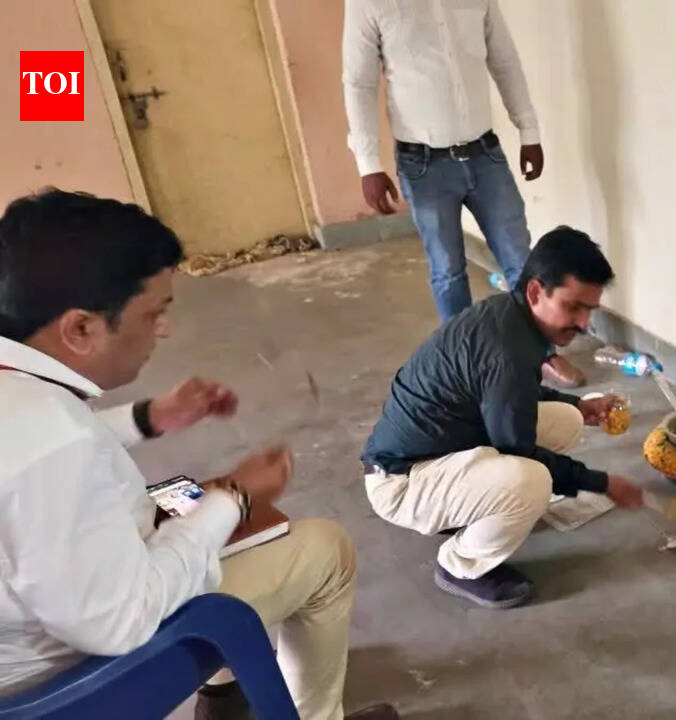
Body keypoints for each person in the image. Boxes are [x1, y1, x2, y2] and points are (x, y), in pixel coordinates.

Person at [0, 190, 396, 720]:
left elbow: (46, 449)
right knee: (325, 551)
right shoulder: (54, 445)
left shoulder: (25, 396)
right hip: (73, 680)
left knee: (188, 499)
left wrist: (149, 417)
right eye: (153, 313)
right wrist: (234, 497)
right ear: (81, 329)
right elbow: (122, 620)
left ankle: (223, 692)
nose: (164, 329)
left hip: (55, 599)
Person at [362, 226, 644, 609]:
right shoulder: (507, 351)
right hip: (401, 482)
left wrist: (579, 406)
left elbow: (512, 395)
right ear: (536, 292)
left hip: (440, 452)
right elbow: (519, 449)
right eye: (573, 306)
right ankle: (459, 566)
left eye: (589, 310)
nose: (583, 323)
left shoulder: (510, 318)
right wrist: (602, 483)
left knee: (566, 418)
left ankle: (475, 508)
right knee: (532, 481)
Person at [342, 0, 585, 388]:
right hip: (423, 164)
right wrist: (368, 163)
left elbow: (504, 61)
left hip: (484, 154)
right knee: (448, 270)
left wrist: (529, 131)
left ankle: (539, 354)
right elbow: (359, 82)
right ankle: (464, 367)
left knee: (522, 262)